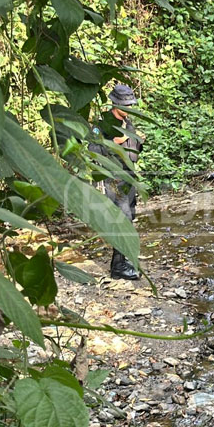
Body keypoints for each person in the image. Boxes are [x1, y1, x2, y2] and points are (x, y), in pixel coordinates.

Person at [93, 84, 143, 280]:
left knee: (129, 217)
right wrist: (115, 143)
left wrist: (137, 141)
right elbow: (93, 150)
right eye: (126, 105)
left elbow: (133, 152)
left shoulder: (127, 122)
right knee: (122, 219)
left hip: (128, 177)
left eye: (131, 104)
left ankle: (122, 259)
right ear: (115, 104)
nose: (129, 108)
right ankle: (117, 267)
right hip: (113, 177)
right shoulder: (102, 124)